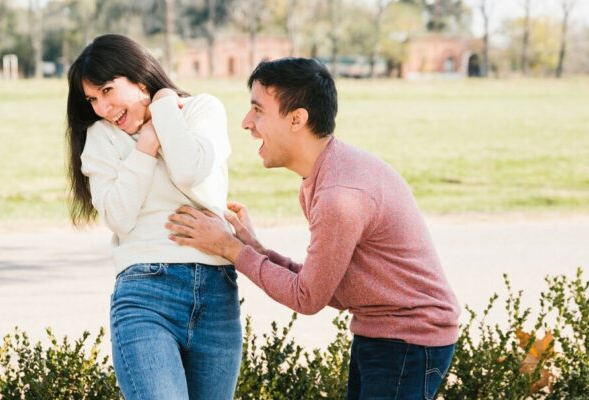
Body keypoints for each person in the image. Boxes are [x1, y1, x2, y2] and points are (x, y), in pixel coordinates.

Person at [166, 57, 461, 400]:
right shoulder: (324, 176)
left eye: (258, 110)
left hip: (409, 341)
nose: (247, 123)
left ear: (297, 119)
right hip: (385, 334)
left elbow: (307, 299)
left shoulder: (339, 197)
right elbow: (322, 286)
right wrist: (257, 250)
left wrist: (230, 249)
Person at [65, 34, 241, 400]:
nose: (102, 108)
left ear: (140, 79)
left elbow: (191, 172)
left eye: (108, 91)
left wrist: (162, 109)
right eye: (92, 99)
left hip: (216, 294)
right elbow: (119, 216)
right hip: (146, 293)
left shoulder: (200, 111)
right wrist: (145, 148)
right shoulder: (102, 138)